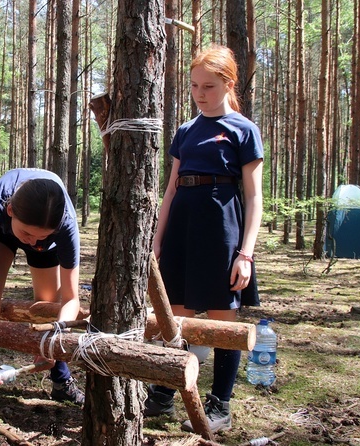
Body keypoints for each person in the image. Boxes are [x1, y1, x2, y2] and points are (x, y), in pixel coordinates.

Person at [145, 45, 264, 433]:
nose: (200, 93)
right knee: (173, 317)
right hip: (181, 226)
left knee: (222, 321)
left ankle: (220, 404)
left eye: (209, 86)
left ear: (228, 84)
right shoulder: (184, 131)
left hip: (222, 229)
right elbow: (170, 189)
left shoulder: (244, 130)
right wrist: (157, 240)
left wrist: (245, 253)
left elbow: (253, 196)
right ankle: (164, 391)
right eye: (195, 86)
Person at [0, 168, 85, 446]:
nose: (33, 243)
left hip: (42, 230)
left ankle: (60, 379)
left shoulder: (64, 225)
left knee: (47, 307)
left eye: (41, 236)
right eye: (28, 234)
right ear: (11, 209)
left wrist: (53, 342)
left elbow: (71, 299)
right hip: (3, 233)